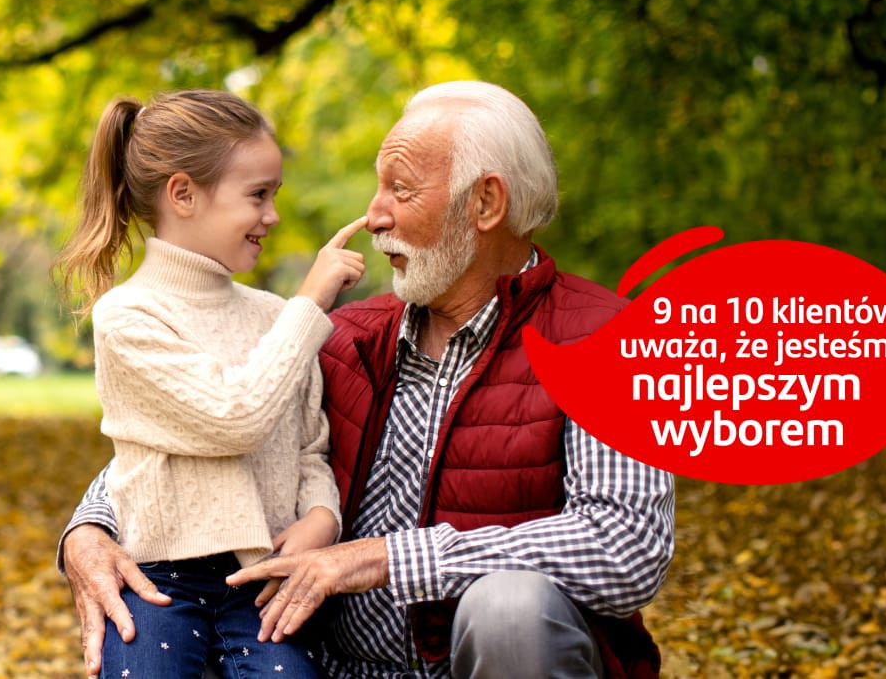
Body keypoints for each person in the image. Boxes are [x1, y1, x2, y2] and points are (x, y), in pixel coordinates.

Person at [61, 81, 676, 679]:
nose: (374, 215)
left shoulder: (606, 342)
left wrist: (388, 558)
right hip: (333, 666)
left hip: (487, 662)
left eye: (400, 190)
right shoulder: (346, 338)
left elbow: (624, 547)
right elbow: (192, 430)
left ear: (486, 203)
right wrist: (88, 530)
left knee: (509, 612)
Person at [54, 89, 372, 678]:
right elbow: (233, 418)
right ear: (183, 194)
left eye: (274, 194)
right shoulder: (129, 316)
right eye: (258, 196)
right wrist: (311, 302)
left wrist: (322, 516)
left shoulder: (277, 317)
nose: (272, 215)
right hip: (161, 579)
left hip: (264, 580)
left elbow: (308, 446)